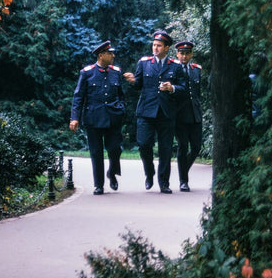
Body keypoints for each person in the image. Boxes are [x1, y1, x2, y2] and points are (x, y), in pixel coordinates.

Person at [123, 30, 186, 193]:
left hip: (166, 112)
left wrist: (172, 88)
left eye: (159, 46)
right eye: (154, 45)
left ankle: (164, 182)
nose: (155, 48)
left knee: (165, 148)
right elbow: (139, 85)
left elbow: (184, 89)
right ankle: (149, 173)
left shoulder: (176, 66)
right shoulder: (144, 63)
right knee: (144, 144)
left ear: (167, 48)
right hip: (146, 111)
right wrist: (133, 81)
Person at [70, 40, 125, 195]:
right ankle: (99, 185)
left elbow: (121, 94)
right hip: (93, 118)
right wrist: (74, 118)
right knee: (96, 152)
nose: (113, 55)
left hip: (113, 117)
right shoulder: (87, 72)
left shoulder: (116, 72)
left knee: (115, 149)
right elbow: (78, 96)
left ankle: (112, 172)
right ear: (101, 55)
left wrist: (121, 108)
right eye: (110, 53)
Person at [174, 41, 203, 192]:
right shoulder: (173, 69)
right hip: (180, 115)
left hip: (195, 113)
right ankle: (183, 181)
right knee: (183, 146)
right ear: (177, 54)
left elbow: (198, 92)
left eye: (187, 53)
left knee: (197, 146)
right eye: (181, 53)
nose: (184, 56)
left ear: (191, 54)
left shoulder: (196, 69)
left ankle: (183, 170)